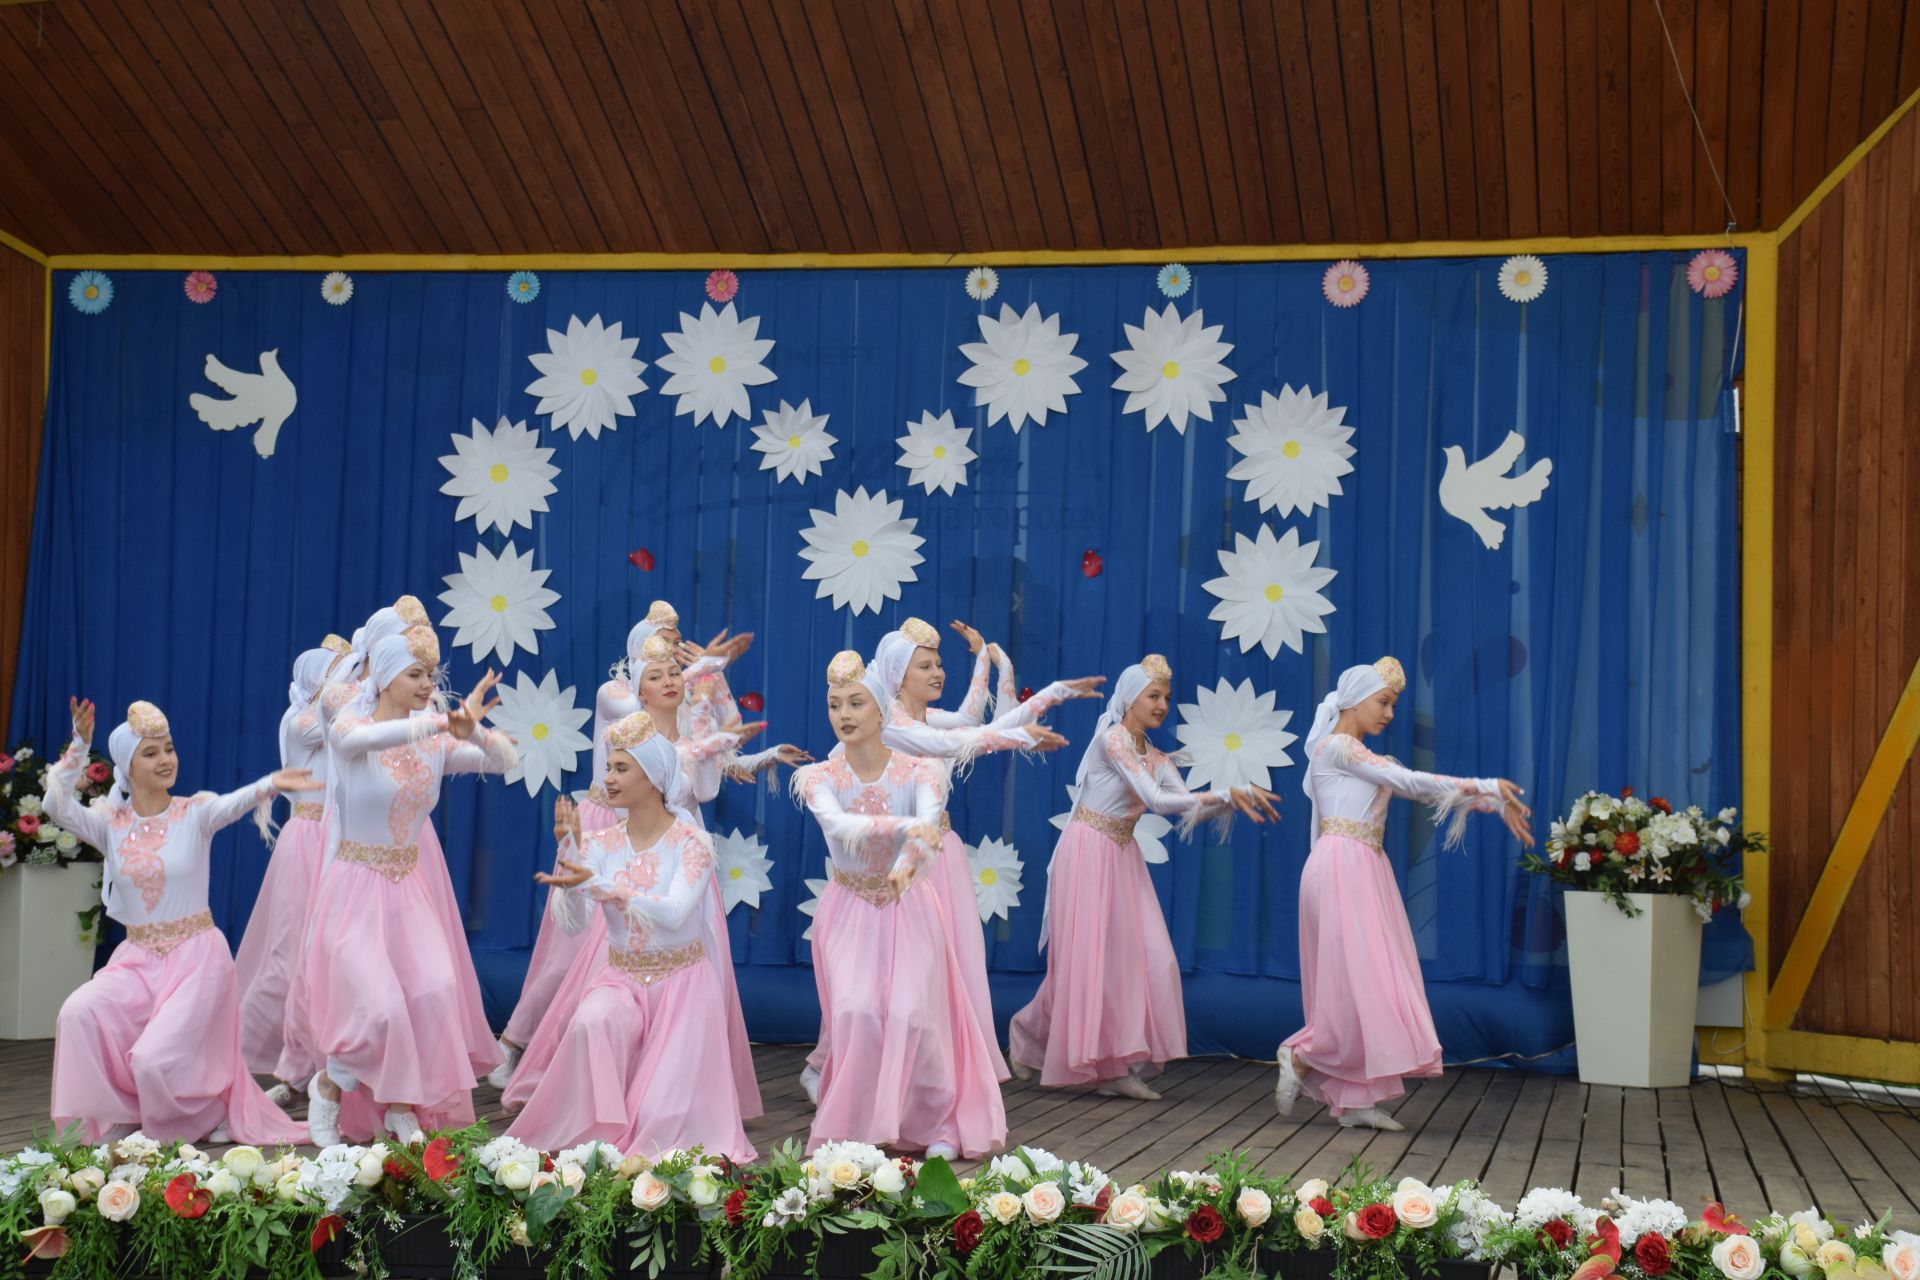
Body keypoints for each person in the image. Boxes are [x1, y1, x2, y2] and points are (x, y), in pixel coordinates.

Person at [498, 633, 790, 1113]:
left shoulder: (694, 730)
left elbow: (714, 773)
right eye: (657, 674)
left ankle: (693, 1088)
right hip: (632, 850)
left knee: (699, 965)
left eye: (675, 670)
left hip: (680, 852)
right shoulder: (624, 718)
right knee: (586, 966)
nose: (671, 679)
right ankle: (564, 1065)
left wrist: (717, 690)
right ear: (640, 685)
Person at [1273, 657, 1533, 1130]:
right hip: (1341, 865)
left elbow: (1419, 789)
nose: (1390, 713)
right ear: (1354, 699)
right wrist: (1487, 784)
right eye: (1384, 702)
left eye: (1394, 704)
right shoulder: (1337, 749)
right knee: (1360, 980)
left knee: (1371, 982)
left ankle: (1354, 1099)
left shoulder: (1368, 759)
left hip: (1364, 865)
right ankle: (1301, 1052)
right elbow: (1410, 782)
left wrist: (1493, 802)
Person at [45, 697, 317, 1145]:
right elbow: (57, 803)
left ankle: (200, 1116)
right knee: (78, 1011)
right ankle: (118, 1115)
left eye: (168, 749)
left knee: (152, 1060)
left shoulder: (195, 813)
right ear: (128, 768)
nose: (165, 759)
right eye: (150, 753)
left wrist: (271, 782)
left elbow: (234, 802)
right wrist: (80, 744)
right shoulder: (109, 822)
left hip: (196, 962)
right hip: (136, 962)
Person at [283, 625, 515, 1145]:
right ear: (385, 677)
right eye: (415, 674)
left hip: (408, 888)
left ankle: (401, 1106)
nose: (427, 684)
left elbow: (502, 761)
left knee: (436, 990)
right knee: (379, 1006)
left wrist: (472, 729)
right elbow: (358, 739)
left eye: (431, 675)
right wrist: (438, 723)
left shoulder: (432, 739)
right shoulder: (350, 723)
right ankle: (330, 1083)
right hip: (355, 886)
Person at [1008, 654, 1279, 1098]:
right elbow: (1155, 799)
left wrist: (1232, 799)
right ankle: (1037, 1039)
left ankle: (1114, 1062)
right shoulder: (1112, 741)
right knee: (1086, 965)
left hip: (1121, 853)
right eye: (1153, 695)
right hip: (1089, 850)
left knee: (1150, 957)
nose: (1161, 704)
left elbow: (1185, 803)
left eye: (1166, 698)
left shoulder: (1153, 754)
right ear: (1131, 697)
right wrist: (1226, 791)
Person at [504, 712, 754, 1160]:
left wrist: (602, 886)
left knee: (661, 1124)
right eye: (608, 768)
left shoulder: (691, 843)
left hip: (683, 991)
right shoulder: (601, 843)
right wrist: (572, 855)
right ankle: (600, 1131)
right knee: (588, 1022)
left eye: (621, 769)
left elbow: (676, 914)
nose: (609, 779)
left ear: (654, 777)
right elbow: (578, 924)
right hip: (619, 981)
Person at [795, 651, 1006, 1158]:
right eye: (834, 705)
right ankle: (853, 1126)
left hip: (908, 905)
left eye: (856, 703)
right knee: (856, 1012)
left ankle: (935, 1125)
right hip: (849, 910)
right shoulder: (821, 777)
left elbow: (931, 824)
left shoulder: (918, 772)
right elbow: (840, 830)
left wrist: (911, 858)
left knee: (913, 1013)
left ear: (880, 710)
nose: (844, 714)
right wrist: (906, 830)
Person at [233, 639, 350, 1091]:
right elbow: (340, 721)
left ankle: (304, 1063)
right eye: (336, 676)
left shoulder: (320, 716)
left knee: (322, 955)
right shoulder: (303, 721)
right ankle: (240, 1057)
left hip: (333, 837)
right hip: (307, 840)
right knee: (286, 957)